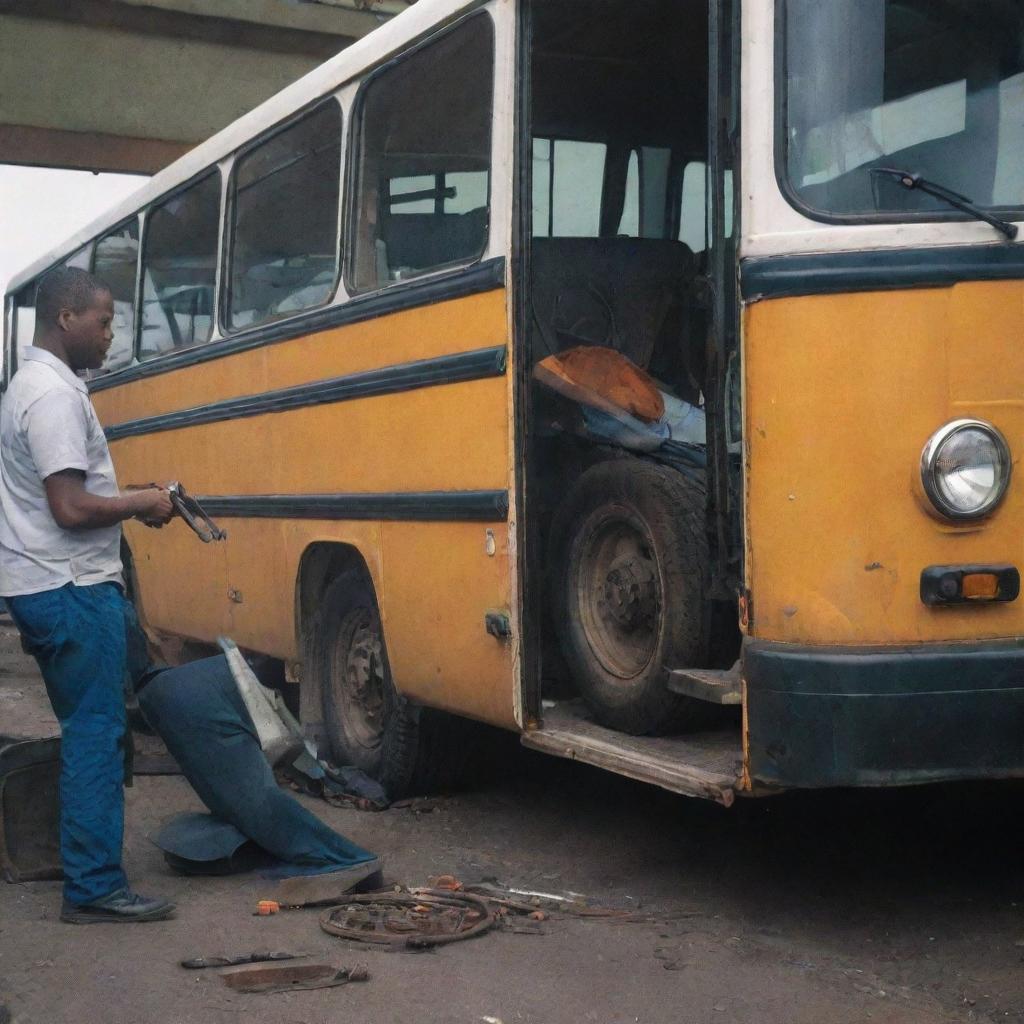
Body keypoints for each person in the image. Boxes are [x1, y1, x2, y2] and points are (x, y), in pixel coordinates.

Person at [0, 266, 176, 924]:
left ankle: (85, 866)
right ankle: (94, 886)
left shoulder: (41, 385)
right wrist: (143, 503)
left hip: (49, 581)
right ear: (67, 318)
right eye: (104, 322)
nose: (111, 335)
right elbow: (71, 507)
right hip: (69, 586)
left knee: (93, 729)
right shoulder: (50, 396)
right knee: (96, 734)